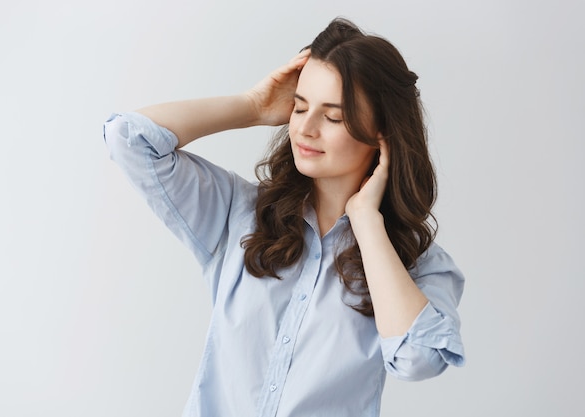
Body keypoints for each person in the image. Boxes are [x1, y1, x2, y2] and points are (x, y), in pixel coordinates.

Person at [103, 17, 465, 417]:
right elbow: (129, 139)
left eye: (333, 117)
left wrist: (366, 221)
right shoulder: (239, 213)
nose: (305, 129)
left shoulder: (420, 265)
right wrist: (253, 106)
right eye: (300, 106)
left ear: (383, 135)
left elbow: (420, 360)